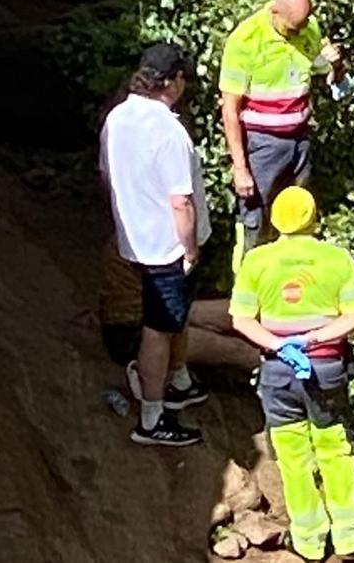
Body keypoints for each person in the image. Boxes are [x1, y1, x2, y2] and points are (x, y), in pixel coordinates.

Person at [229, 186, 354, 562]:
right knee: (336, 450)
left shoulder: (256, 262)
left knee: (292, 457)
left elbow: (241, 319)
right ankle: (349, 538)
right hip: (325, 368)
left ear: (275, 220)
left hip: (277, 371)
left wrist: (280, 345)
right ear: (313, 216)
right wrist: (315, 338)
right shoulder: (337, 260)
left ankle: (308, 541)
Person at [100, 43, 212, 446]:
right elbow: (180, 201)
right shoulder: (168, 131)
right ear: (173, 82)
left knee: (170, 320)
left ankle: (179, 382)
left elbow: (108, 174)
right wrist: (191, 250)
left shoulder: (117, 118)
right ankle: (152, 417)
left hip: (136, 239)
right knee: (158, 329)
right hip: (167, 247)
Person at [219, 0, 345, 271]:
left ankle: (291, 273)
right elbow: (230, 109)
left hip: (299, 139)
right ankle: (249, 283)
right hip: (262, 143)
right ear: (275, 12)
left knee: (298, 209)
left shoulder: (308, 28)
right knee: (256, 216)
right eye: (294, 27)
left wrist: (337, 65)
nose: (301, 32)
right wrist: (240, 168)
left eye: (304, 24)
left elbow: (329, 76)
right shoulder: (246, 40)